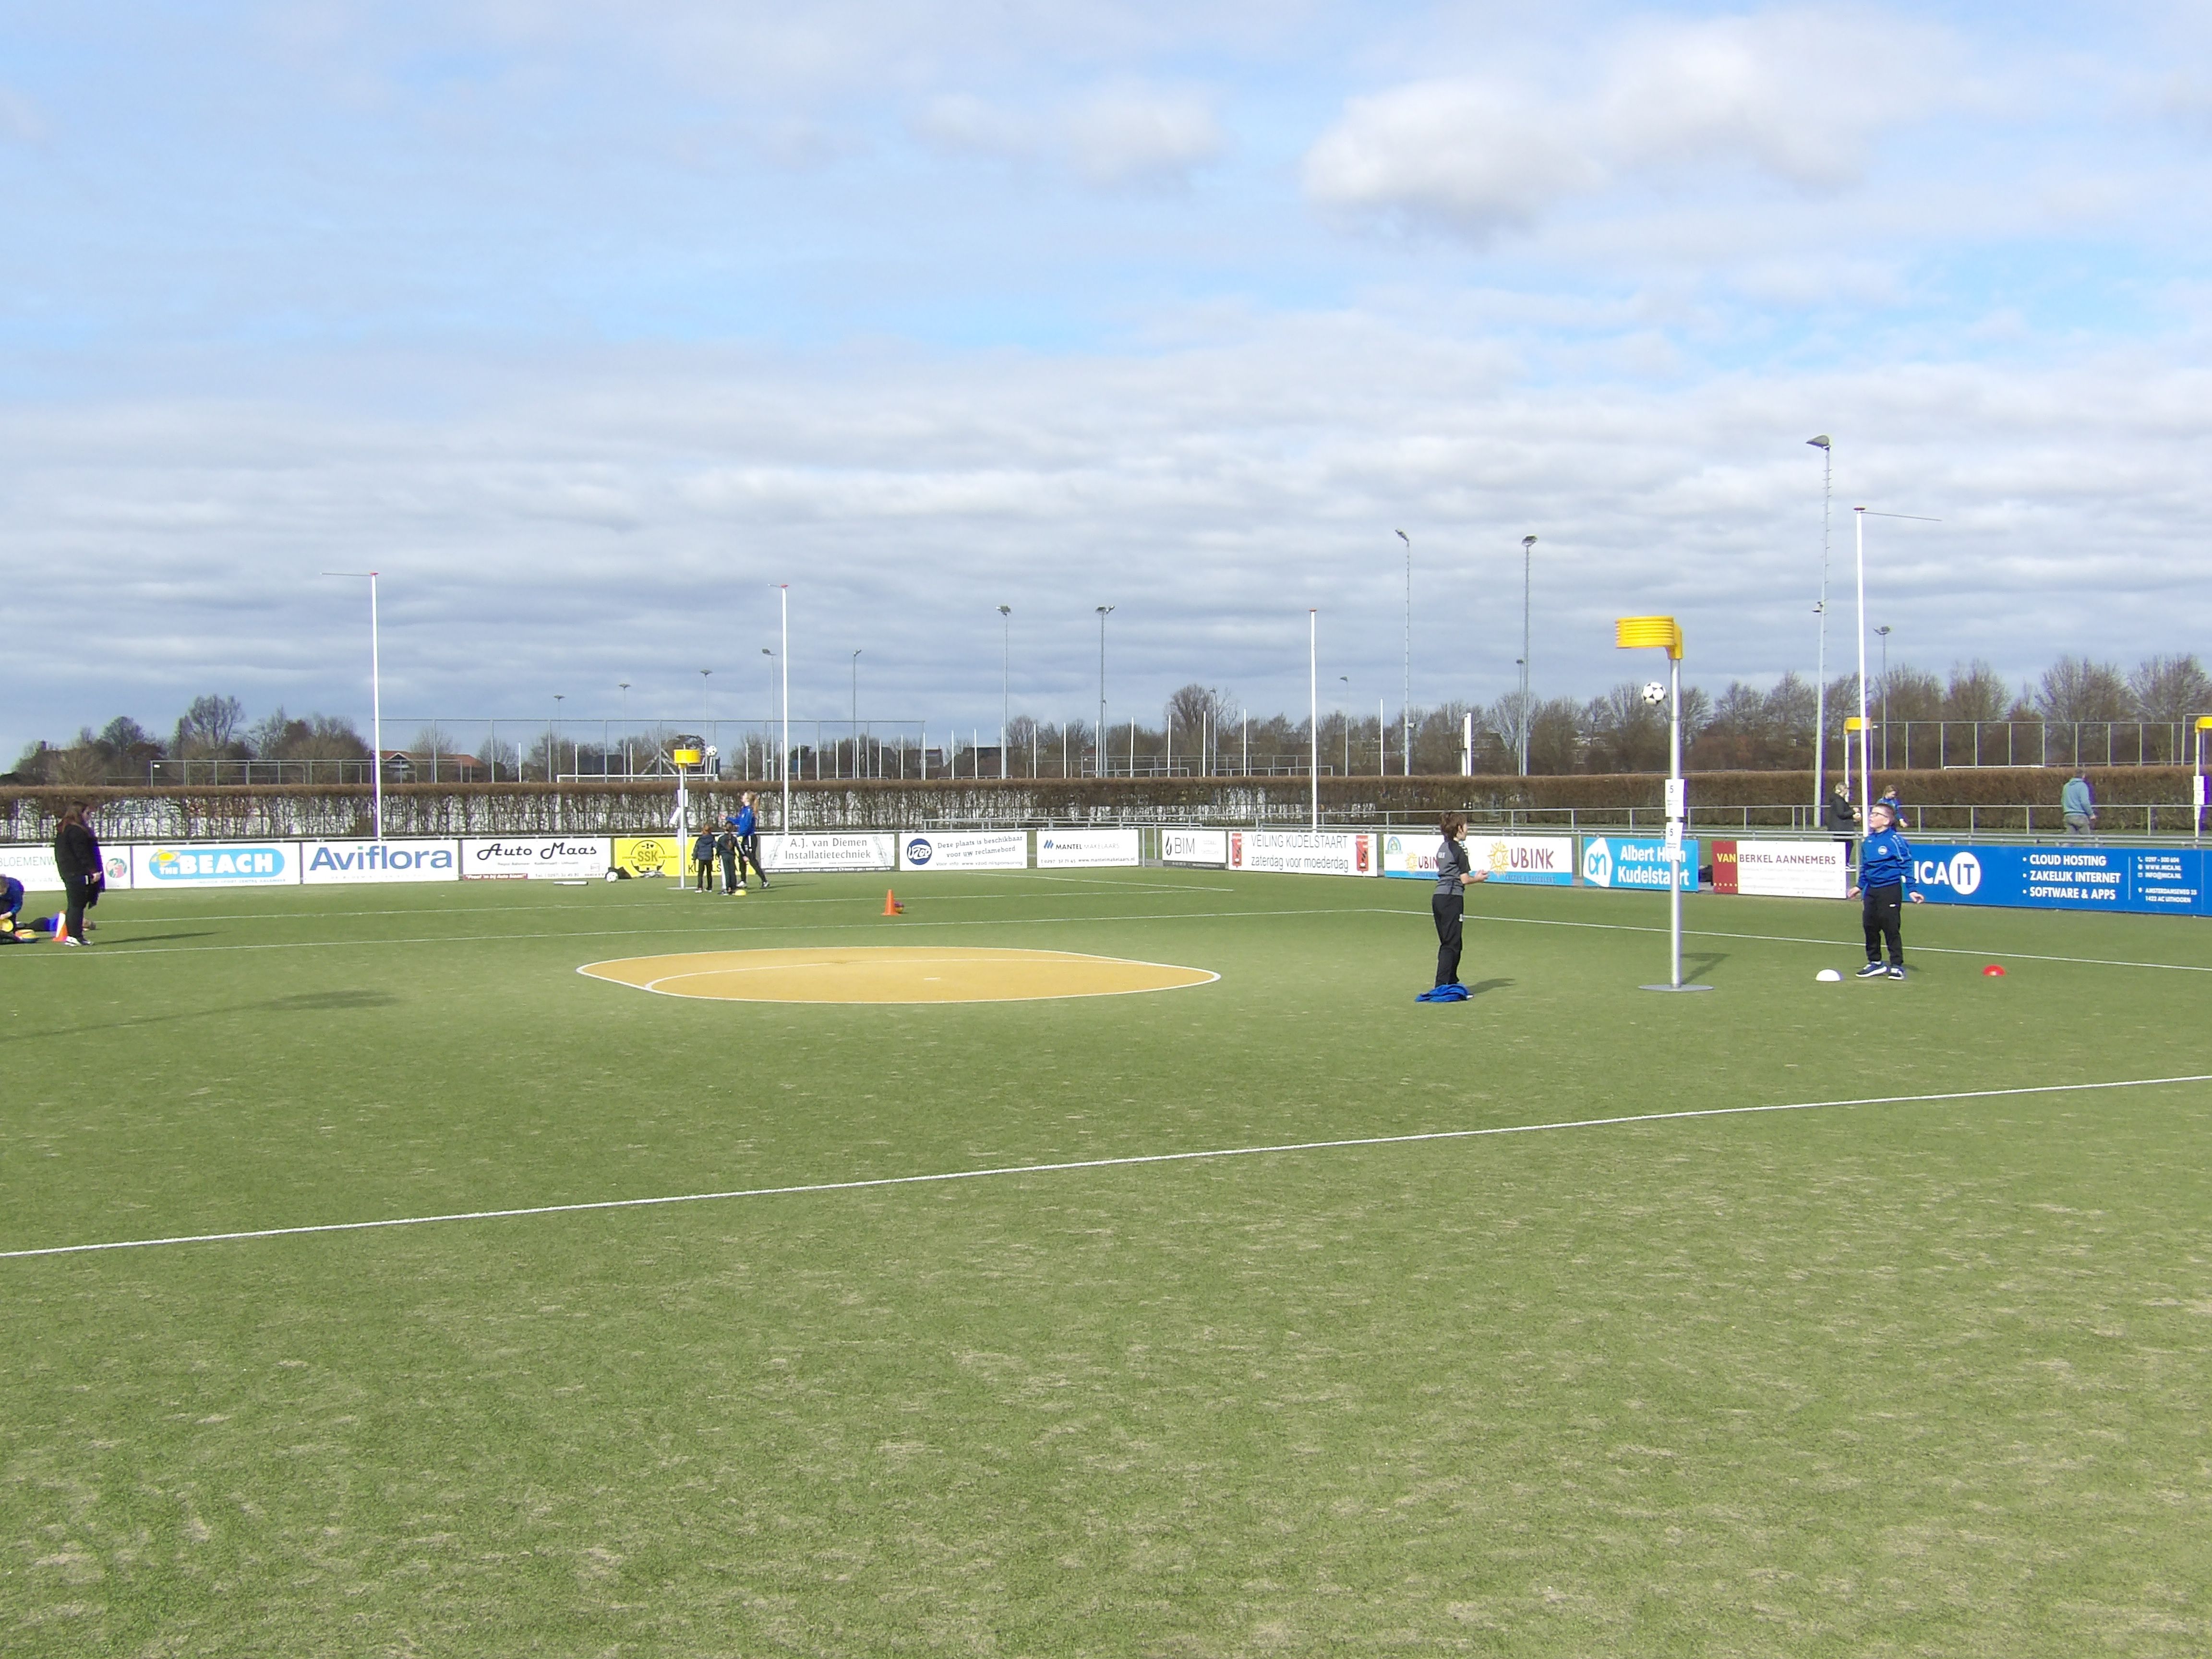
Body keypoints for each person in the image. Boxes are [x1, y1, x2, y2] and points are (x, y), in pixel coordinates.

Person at [1845, 800, 1923, 979]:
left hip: (1890, 889)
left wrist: (1912, 889)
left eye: (1876, 814)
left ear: (1887, 820)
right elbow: (1866, 867)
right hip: (1872, 891)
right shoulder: (1868, 841)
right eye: (1872, 814)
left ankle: (1896, 965)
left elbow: (1907, 864)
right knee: (1870, 926)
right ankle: (1875, 963)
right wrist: (1859, 886)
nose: (1871, 817)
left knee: (1890, 927)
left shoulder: (1895, 840)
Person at [1417, 811, 1489, 1002]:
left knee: (1452, 942)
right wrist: (1478, 879)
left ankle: (1452, 982)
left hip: (1439, 897)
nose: (1468, 828)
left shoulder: (1443, 847)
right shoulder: (1459, 850)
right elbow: (1464, 879)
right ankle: (1442, 986)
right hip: (1451, 898)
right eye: (1465, 825)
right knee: (1452, 944)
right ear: (1459, 828)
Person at [52, 804, 102, 946]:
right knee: (77, 905)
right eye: (87, 813)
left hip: (68, 872)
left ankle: (74, 936)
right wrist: (93, 870)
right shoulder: (76, 831)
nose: (89, 816)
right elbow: (82, 854)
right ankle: (75, 936)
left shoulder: (63, 829)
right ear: (79, 814)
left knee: (75, 904)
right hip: (76, 872)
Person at [734, 793, 769, 890]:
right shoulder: (744, 810)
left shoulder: (750, 811)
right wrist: (727, 819)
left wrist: (741, 834)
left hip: (750, 838)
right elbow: (739, 821)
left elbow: (748, 826)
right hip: (745, 838)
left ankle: (765, 881)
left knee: (752, 860)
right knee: (741, 859)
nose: (742, 797)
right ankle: (743, 881)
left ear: (748, 799)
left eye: (744, 796)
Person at [2061, 770, 2095, 840]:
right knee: (2087, 840)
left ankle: (2063, 847)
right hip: (2080, 816)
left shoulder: (2066, 786)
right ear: (2083, 776)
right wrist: (2091, 814)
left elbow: (2063, 801)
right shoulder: (2083, 786)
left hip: (2068, 815)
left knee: (2070, 840)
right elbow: (2085, 802)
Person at [690, 822, 719, 894]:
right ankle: (709, 887)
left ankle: (700, 887)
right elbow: (717, 846)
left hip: (701, 858)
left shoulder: (700, 840)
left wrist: (694, 858)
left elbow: (696, 849)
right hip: (709, 858)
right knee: (709, 873)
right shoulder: (712, 839)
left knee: (700, 874)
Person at [716, 816, 741, 895]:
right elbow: (739, 848)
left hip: (724, 856)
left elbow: (718, 848)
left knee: (725, 873)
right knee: (732, 872)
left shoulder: (721, 838)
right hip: (732, 856)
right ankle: (733, 888)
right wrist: (743, 855)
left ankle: (726, 888)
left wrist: (718, 855)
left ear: (725, 828)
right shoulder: (734, 838)